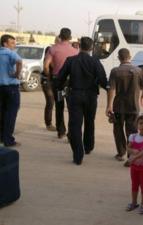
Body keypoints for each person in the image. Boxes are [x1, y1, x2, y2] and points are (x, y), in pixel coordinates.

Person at [56, 37, 108, 165]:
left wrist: (60, 91)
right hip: (91, 96)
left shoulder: (71, 60)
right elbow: (103, 80)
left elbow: (60, 78)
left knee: (75, 125)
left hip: (75, 95)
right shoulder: (95, 61)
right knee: (90, 121)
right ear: (91, 47)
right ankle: (88, 146)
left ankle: (78, 155)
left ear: (79, 46)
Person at [106, 48, 143, 166]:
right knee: (132, 132)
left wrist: (109, 106)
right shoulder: (139, 71)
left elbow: (111, 90)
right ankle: (132, 156)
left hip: (118, 106)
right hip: (133, 107)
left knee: (118, 130)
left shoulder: (115, 71)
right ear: (130, 57)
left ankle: (120, 153)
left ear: (119, 58)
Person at [44, 28, 78, 139]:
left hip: (58, 81)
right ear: (70, 37)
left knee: (59, 106)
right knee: (71, 107)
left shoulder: (53, 49)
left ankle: (61, 131)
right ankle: (71, 133)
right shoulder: (75, 51)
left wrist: (49, 76)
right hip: (70, 82)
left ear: (60, 36)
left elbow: (45, 66)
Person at [0, 34, 22, 147]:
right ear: (5, 43)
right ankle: (8, 139)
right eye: (12, 43)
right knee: (11, 113)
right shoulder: (10, 53)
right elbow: (19, 61)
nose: (14, 45)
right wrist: (17, 74)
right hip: (11, 87)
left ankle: (2, 137)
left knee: (2, 112)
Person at [41, 37, 59, 131]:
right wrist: (48, 75)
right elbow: (48, 65)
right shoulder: (50, 49)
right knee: (50, 102)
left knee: (58, 102)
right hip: (48, 80)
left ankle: (58, 125)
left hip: (55, 79)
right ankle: (48, 124)